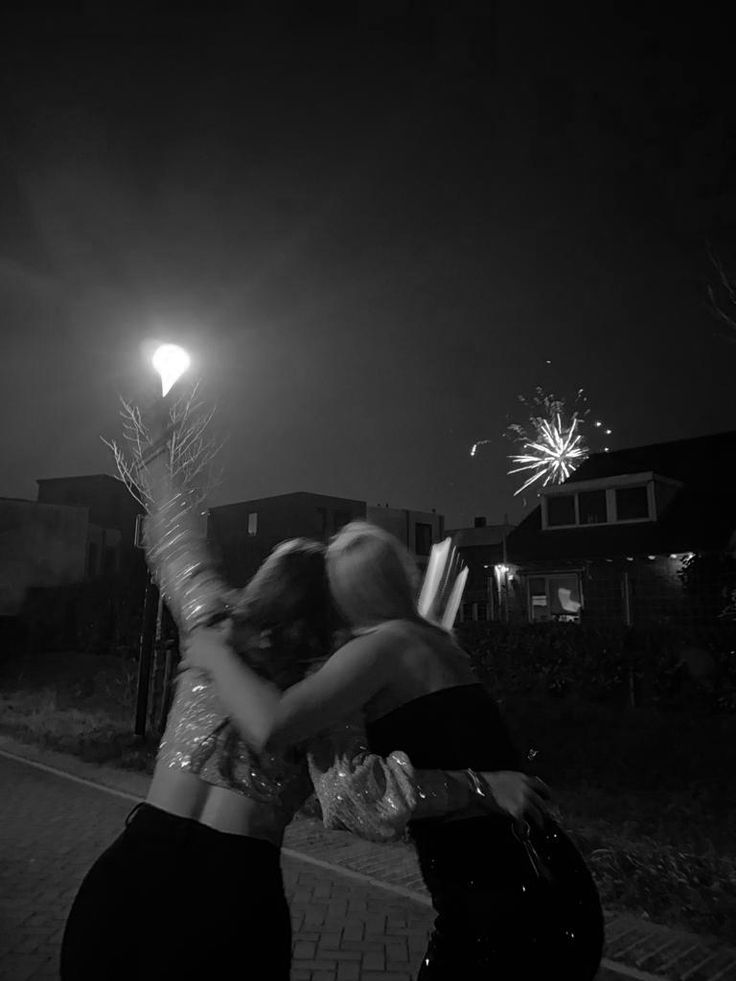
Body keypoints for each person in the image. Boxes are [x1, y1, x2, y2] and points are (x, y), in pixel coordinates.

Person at [61, 429, 522, 980]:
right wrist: (476, 785)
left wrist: (158, 456)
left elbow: (177, 545)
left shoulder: (213, 623)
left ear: (266, 582)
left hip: (131, 873)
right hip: (232, 894)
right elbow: (360, 798)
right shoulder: (328, 690)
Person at [182, 521, 604, 980]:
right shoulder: (436, 641)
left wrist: (214, 652)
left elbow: (275, 726)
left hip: (501, 902)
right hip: (541, 879)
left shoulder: (382, 648)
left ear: (344, 595)